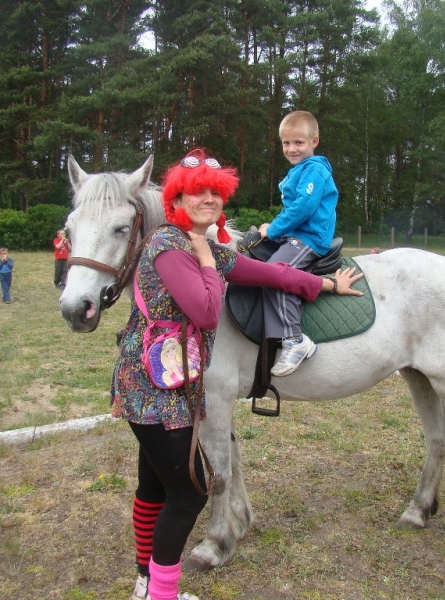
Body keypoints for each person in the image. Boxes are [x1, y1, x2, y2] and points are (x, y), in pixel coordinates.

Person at [112, 149, 363, 600]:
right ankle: (159, 593)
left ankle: (145, 582)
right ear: (177, 200)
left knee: (153, 485)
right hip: (154, 389)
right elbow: (208, 312)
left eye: (215, 191)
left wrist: (326, 284)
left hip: (166, 383)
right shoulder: (169, 246)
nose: (208, 199)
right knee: (188, 494)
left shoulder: (198, 244)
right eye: (197, 193)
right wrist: (209, 254)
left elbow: (270, 273)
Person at [257, 110, 339, 377]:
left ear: (314, 141)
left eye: (298, 143)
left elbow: (304, 207)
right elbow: (291, 207)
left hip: (309, 238)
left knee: (274, 271)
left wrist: (275, 229)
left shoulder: (314, 169)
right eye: (286, 143)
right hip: (294, 234)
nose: (291, 149)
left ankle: (295, 339)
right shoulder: (299, 171)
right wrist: (270, 229)